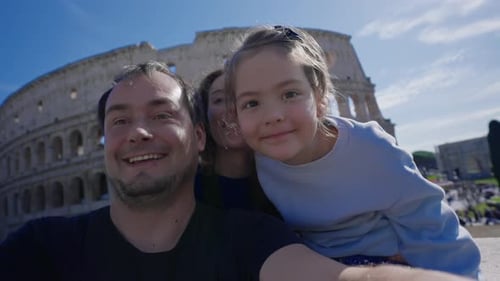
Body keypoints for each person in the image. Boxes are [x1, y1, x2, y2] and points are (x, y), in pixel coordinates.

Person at [0, 61, 473, 281]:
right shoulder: (37, 248)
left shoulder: (249, 238)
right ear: (104, 141)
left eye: (162, 114)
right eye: (119, 120)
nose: (139, 132)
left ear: (198, 135)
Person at [224, 25, 481, 279]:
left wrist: (460, 276)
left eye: (290, 94)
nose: (273, 116)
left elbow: (434, 227)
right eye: (252, 103)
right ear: (235, 114)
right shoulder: (258, 157)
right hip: (320, 264)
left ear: (321, 98)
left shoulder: (371, 148)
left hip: (387, 263)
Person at [194, 69, 279, 217]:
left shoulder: (285, 182)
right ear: (204, 115)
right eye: (219, 100)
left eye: (247, 100)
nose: (233, 108)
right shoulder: (186, 187)